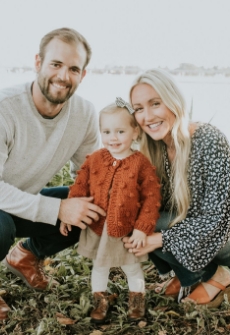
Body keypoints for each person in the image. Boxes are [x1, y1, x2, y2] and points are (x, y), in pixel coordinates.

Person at [0, 27, 106, 320]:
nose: (63, 76)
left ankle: (25, 256)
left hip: (23, 203)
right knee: (0, 226)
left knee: (92, 206)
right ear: (38, 63)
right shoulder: (5, 110)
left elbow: (90, 174)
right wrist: (58, 208)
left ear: (82, 75)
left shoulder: (84, 114)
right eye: (56, 64)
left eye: (73, 68)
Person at [123, 68, 230, 308]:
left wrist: (160, 239)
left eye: (155, 104)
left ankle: (217, 276)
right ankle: (187, 276)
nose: (148, 116)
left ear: (173, 101)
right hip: (191, 233)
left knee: (150, 228)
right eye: (139, 109)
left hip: (225, 236)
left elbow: (216, 222)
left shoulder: (209, 141)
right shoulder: (155, 147)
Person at [60, 97, 161, 322]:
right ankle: (100, 302)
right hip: (98, 227)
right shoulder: (95, 159)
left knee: (132, 267)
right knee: (100, 266)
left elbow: (152, 199)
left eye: (120, 131)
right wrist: (69, 212)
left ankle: (136, 303)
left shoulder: (141, 164)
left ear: (135, 132)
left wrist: (142, 229)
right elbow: (80, 185)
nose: (112, 138)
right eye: (106, 132)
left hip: (127, 229)